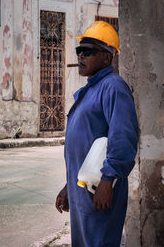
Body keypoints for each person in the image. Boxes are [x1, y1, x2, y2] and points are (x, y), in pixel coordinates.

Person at [55, 21, 139, 247]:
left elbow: (123, 138)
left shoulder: (113, 87)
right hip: (83, 187)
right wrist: (69, 186)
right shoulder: (90, 89)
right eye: (79, 51)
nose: (81, 56)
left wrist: (107, 181)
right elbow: (86, 146)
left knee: (99, 241)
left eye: (88, 51)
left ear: (107, 57)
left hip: (99, 189)